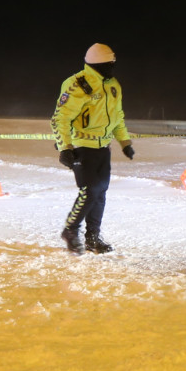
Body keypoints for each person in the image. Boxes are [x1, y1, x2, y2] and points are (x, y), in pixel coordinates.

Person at [51, 43, 135, 254]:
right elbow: (60, 118)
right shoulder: (77, 85)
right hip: (81, 147)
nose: (112, 67)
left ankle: (92, 238)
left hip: (103, 148)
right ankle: (70, 230)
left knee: (100, 192)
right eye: (109, 64)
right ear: (99, 64)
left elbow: (118, 117)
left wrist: (125, 142)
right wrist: (64, 147)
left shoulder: (113, 85)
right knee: (90, 190)